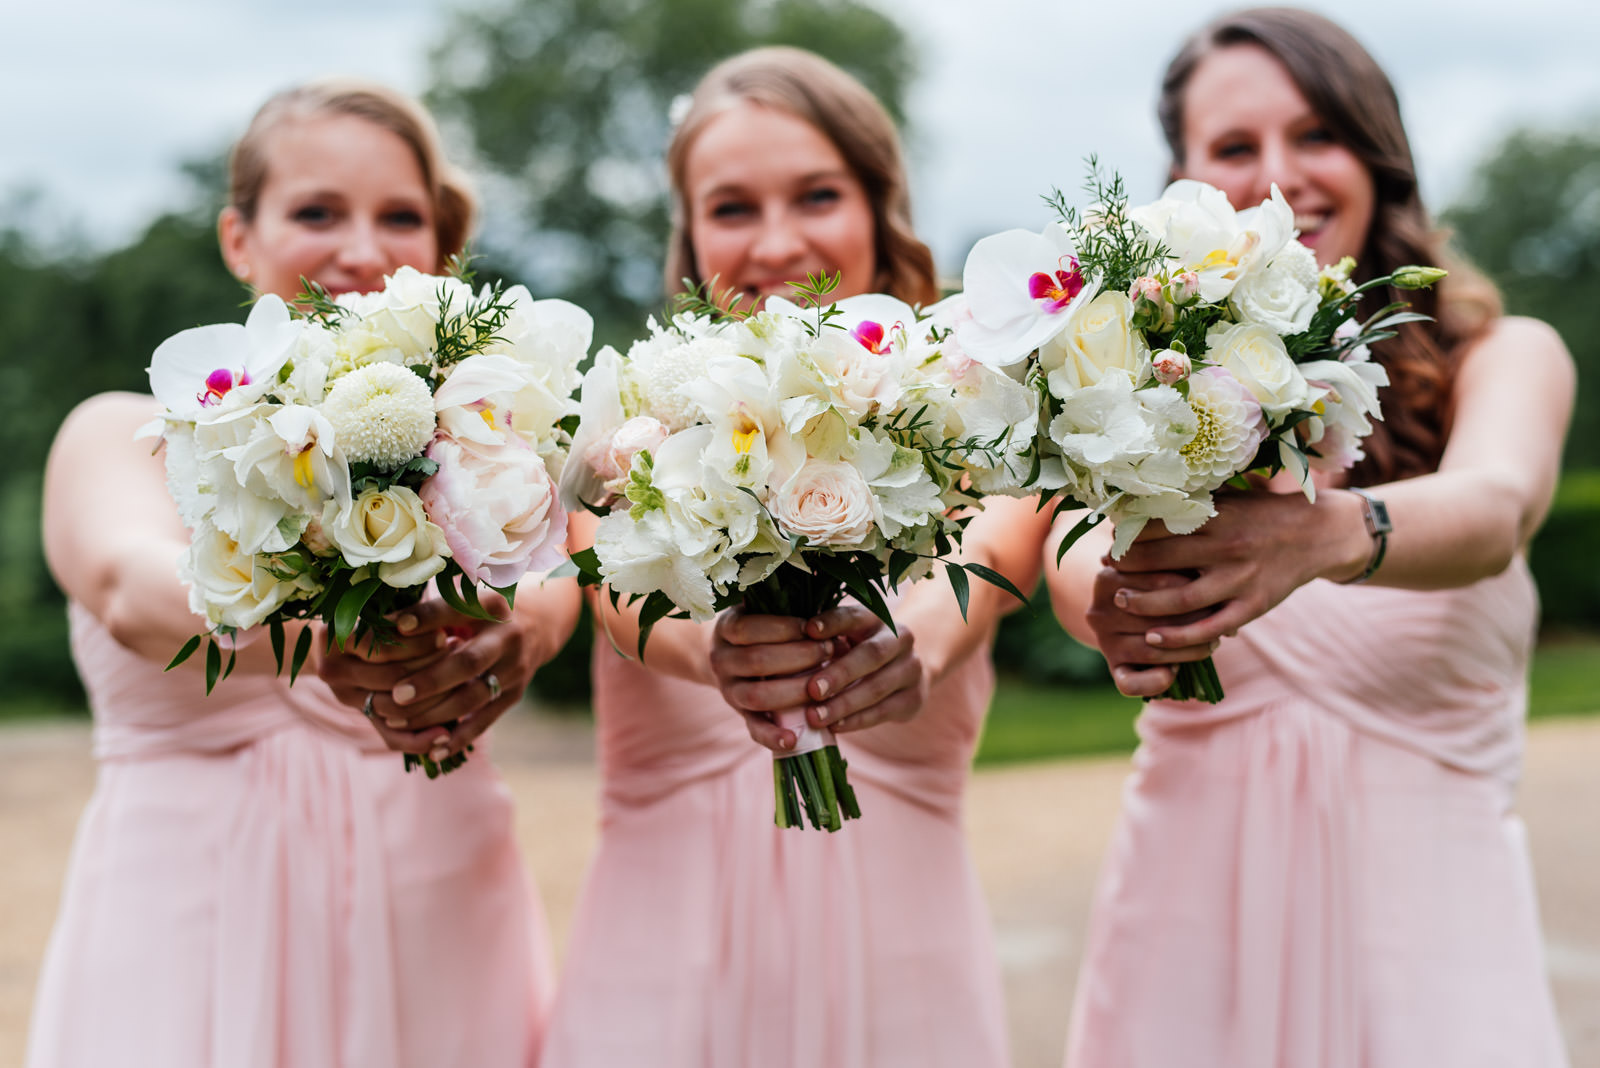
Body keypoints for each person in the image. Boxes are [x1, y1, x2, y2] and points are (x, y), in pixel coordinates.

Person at [1048, 9, 1575, 1066]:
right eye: (1236, 147)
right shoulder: (1120, 377)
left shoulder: (1503, 354)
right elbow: (1064, 547)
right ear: (1186, 174)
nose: (1278, 178)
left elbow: (1495, 507)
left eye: (1317, 135)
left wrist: (1336, 532)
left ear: (1379, 156)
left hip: (1438, 951)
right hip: (1186, 944)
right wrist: (1103, 605)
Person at [30, 79, 575, 1068]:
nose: (361, 249)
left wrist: (520, 635)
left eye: (399, 217)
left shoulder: (494, 446)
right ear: (240, 238)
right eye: (317, 212)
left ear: (440, 250)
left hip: (436, 914)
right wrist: (321, 639)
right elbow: (125, 584)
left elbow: (552, 572)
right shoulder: (120, 431)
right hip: (180, 932)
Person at [538, 47, 1047, 1068]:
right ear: (689, 235)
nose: (776, 242)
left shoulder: (982, 421)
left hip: (901, 980)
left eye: (816, 195)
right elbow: (617, 599)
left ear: (876, 207)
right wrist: (713, 650)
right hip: (657, 976)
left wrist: (912, 647)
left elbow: (993, 559)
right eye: (731, 208)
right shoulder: (618, 429)